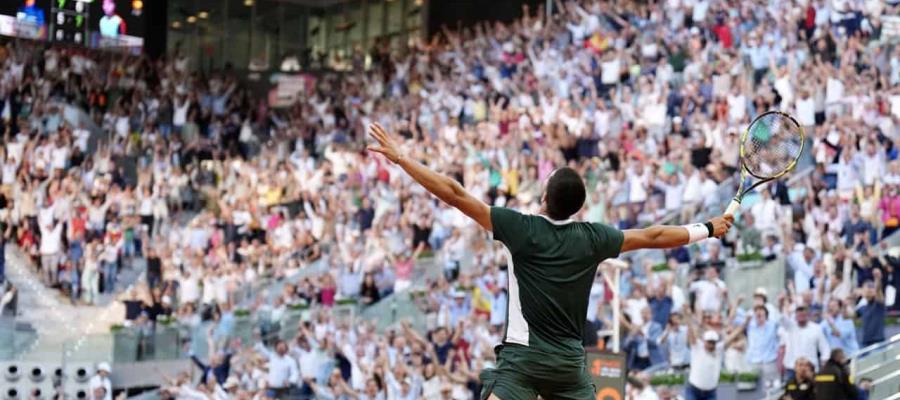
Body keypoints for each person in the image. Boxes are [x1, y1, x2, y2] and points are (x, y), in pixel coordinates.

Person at [365, 123, 733, 400]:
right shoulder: (594, 237)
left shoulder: (519, 228)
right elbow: (653, 235)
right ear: (578, 208)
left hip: (522, 363)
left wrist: (403, 158)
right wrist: (706, 228)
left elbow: (455, 194)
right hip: (568, 368)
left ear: (544, 198)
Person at [856, 269, 886, 347]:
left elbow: (878, 291)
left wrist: (878, 278)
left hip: (878, 343)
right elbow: (850, 315)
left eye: (870, 287)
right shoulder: (862, 307)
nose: (868, 290)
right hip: (865, 343)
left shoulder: (878, 304)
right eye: (866, 288)